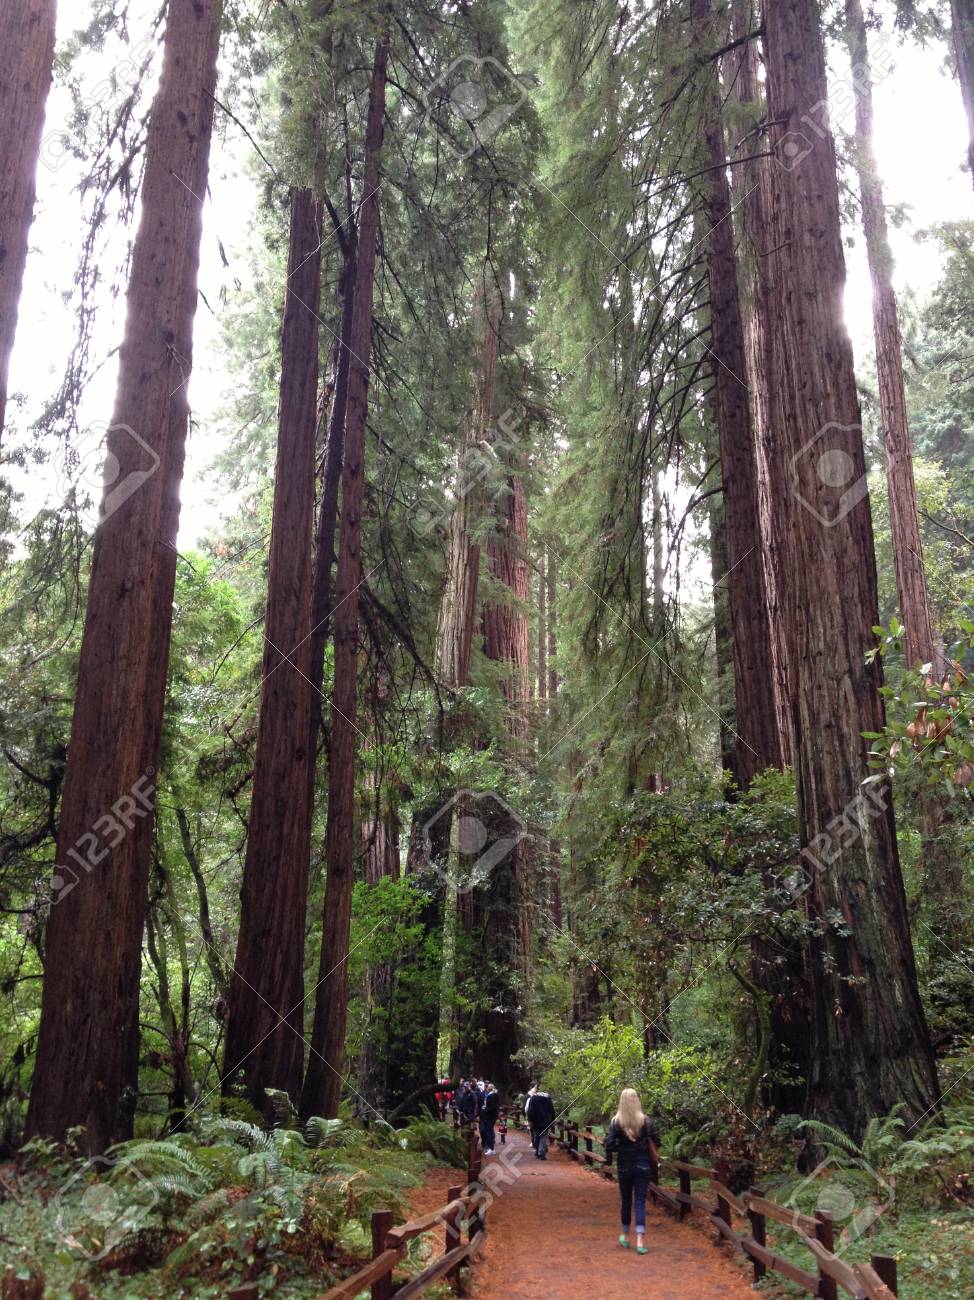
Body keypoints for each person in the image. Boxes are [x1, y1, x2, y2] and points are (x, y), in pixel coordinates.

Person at [603, 1087, 661, 1256]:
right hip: (643, 1166)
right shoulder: (646, 1121)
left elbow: (610, 1144)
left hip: (624, 1167)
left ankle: (626, 1236)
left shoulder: (616, 1122)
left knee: (626, 1201)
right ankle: (640, 1241)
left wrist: (622, 1147)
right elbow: (657, 1141)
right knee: (641, 1202)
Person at [525, 1084, 555, 1159]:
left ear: (537, 1090)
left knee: (536, 1135)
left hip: (535, 1120)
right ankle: (541, 1153)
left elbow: (530, 1111)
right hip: (546, 1121)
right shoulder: (548, 1098)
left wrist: (530, 1120)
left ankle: (537, 1151)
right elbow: (552, 1110)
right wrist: (553, 1120)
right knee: (543, 1136)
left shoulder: (533, 1098)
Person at [480, 1081, 499, 1154]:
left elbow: (491, 1107)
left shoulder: (491, 1096)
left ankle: (491, 1148)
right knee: (490, 1130)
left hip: (489, 1116)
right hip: (492, 1115)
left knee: (489, 1131)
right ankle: (491, 1148)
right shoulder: (495, 1095)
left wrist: (485, 1109)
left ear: (489, 1088)